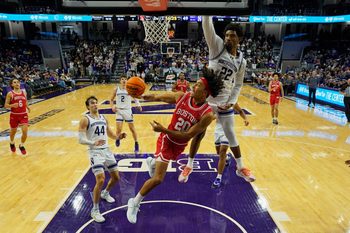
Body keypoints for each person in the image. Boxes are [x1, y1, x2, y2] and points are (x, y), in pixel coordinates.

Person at [126, 68, 224, 224]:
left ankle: (153, 161)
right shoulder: (182, 96)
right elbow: (158, 97)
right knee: (158, 178)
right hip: (167, 140)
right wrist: (142, 95)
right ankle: (134, 202)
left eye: (198, 85)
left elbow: (187, 136)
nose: (194, 85)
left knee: (160, 166)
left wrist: (163, 128)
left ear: (205, 93)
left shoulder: (207, 115)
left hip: (179, 144)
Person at [178, 16, 255, 184]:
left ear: (239, 39)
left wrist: (232, 101)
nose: (228, 38)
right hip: (207, 102)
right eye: (227, 35)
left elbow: (239, 84)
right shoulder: (217, 47)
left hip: (225, 103)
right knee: (199, 133)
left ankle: (241, 167)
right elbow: (207, 26)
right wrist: (207, 13)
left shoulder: (242, 61)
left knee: (231, 136)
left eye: (232, 35)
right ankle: (189, 165)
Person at [78, 96, 127, 223]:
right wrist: (93, 142)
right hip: (95, 152)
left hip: (106, 150)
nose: (95, 105)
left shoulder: (103, 118)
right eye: (92, 103)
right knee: (100, 179)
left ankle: (105, 193)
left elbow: (109, 134)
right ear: (88, 107)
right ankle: (95, 210)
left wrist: (118, 137)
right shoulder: (85, 119)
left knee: (116, 177)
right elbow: (81, 139)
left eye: (96, 102)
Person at [211, 103, 249, 188]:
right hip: (218, 130)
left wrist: (245, 118)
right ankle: (227, 158)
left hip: (228, 130)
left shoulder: (232, 101)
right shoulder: (215, 102)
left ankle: (218, 177)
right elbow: (211, 115)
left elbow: (240, 111)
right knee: (219, 152)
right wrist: (213, 116)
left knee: (222, 151)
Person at [110, 75, 142, 152]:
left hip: (128, 111)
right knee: (118, 129)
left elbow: (135, 98)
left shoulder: (129, 89)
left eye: (125, 79)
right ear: (120, 81)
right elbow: (111, 100)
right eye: (122, 79)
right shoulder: (116, 89)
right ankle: (118, 139)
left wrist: (138, 105)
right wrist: (112, 106)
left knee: (132, 129)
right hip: (119, 111)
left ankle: (136, 143)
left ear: (127, 81)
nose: (124, 80)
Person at [4, 78, 30, 155]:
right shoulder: (10, 93)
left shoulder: (24, 92)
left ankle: (21, 145)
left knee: (25, 131)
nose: (17, 83)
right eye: (14, 82)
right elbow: (5, 105)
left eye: (18, 82)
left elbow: (25, 101)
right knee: (13, 132)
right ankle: (12, 143)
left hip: (23, 115)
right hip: (14, 116)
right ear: (12, 84)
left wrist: (27, 107)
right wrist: (12, 105)